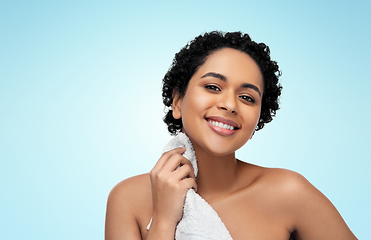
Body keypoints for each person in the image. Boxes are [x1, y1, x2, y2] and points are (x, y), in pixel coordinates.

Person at [105, 31, 357, 240]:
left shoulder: (288, 192)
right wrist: (162, 221)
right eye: (213, 87)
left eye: (247, 97)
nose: (230, 104)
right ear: (178, 100)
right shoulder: (127, 200)